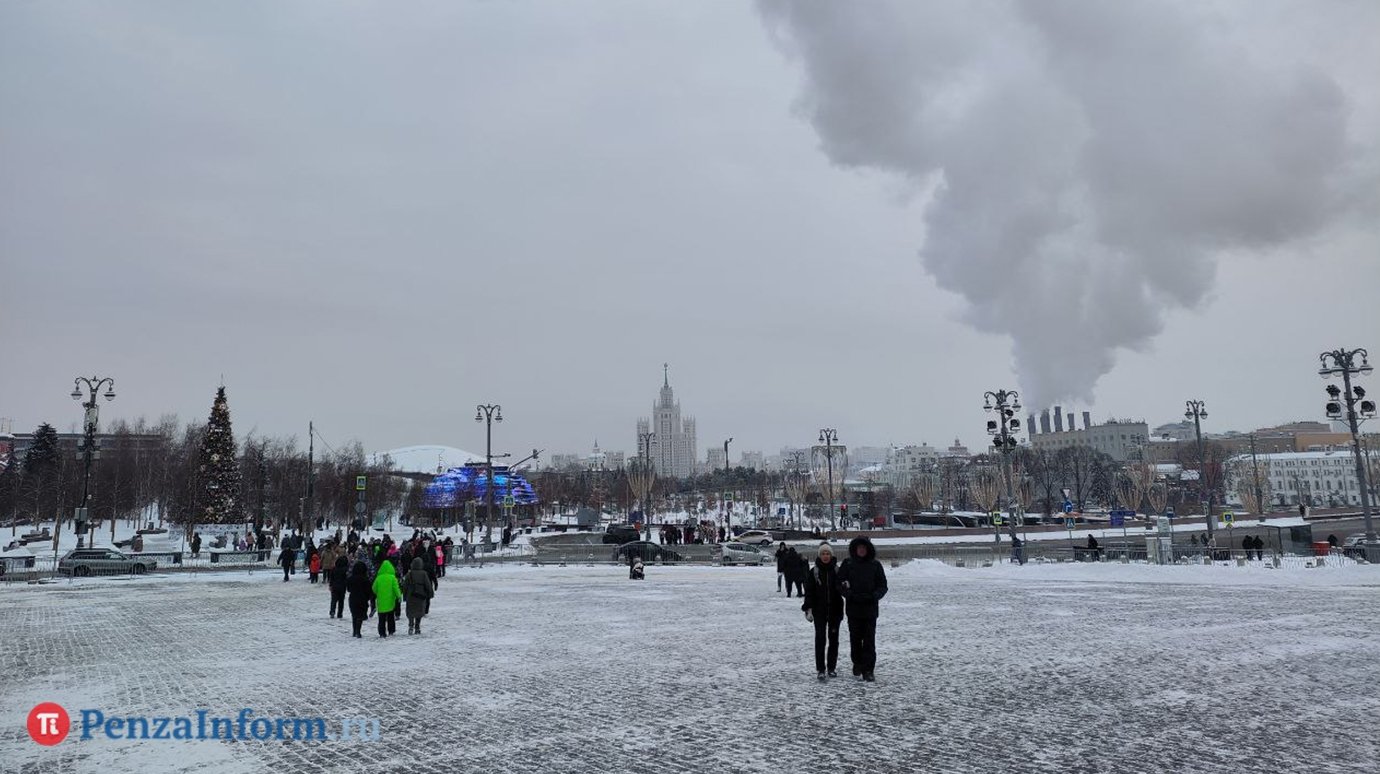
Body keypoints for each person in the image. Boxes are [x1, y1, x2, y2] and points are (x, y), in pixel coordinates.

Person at [837, 536, 887, 682]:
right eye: (859, 548)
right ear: (855, 549)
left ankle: (869, 670)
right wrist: (849, 595)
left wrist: (874, 596)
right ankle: (857, 662)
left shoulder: (875, 565)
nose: (861, 550)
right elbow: (839, 583)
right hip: (853, 608)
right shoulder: (848, 564)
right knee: (855, 639)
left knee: (869, 641)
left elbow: (883, 586)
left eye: (864, 548)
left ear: (868, 549)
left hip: (870, 609)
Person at [801, 543, 844, 680]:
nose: (825, 556)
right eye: (823, 554)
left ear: (831, 555)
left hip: (835, 611)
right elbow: (809, 591)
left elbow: (843, 589)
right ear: (819, 556)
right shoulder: (814, 572)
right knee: (820, 639)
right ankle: (820, 669)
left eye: (828, 554)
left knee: (834, 640)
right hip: (819, 611)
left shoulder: (837, 571)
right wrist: (808, 608)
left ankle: (831, 667)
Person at [401, 558, 435, 635]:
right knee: (419, 611)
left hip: (411, 595)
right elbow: (428, 585)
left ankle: (410, 625)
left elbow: (405, 586)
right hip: (420, 595)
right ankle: (417, 626)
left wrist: (405, 596)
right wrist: (430, 593)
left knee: (411, 611)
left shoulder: (409, 574)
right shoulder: (424, 574)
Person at [372, 559, 403, 638]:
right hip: (390, 601)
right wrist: (399, 596)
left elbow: (374, 588)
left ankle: (382, 632)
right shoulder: (392, 578)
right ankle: (391, 630)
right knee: (390, 616)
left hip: (381, 601)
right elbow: (396, 588)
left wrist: (378, 593)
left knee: (381, 618)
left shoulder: (378, 578)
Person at [346, 561, 373, 638]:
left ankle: (354, 631)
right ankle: (358, 631)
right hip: (363, 599)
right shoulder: (366, 580)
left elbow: (348, 589)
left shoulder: (350, 579)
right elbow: (369, 591)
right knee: (360, 615)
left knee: (354, 615)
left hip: (353, 598)